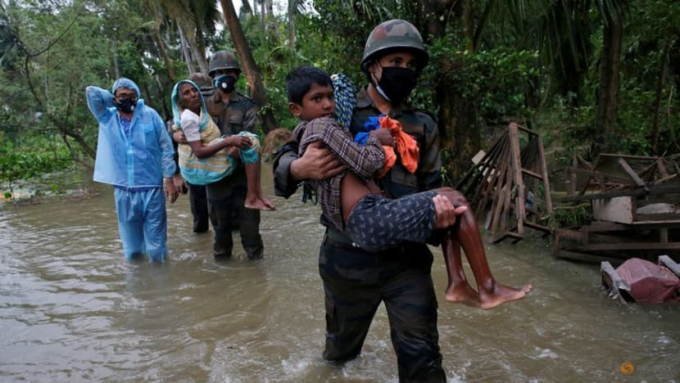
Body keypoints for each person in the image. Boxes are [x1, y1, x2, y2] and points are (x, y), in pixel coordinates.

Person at [274, 20, 530, 382]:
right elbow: (284, 162)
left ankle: (468, 286)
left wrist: (439, 222)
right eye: (396, 61)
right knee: (339, 356)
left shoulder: (422, 123)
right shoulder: (337, 109)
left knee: (422, 360)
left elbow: (431, 186)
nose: (404, 71)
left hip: (406, 263)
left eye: (411, 65)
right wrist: (299, 168)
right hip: (347, 260)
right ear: (373, 66)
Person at [287, 64, 530, 304]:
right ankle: (487, 287)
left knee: (445, 200)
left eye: (330, 96)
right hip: (367, 221)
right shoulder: (326, 125)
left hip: (371, 228)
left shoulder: (308, 130)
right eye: (317, 99)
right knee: (455, 199)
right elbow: (365, 164)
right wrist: (375, 140)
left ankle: (458, 283)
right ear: (296, 108)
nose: (328, 104)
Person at [174, 51, 266, 260]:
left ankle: (256, 277)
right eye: (220, 72)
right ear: (213, 75)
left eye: (229, 72)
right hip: (214, 178)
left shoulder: (247, 105)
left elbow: (252, 137)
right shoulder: (201, 102)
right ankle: (223, 277)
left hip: (242, 176)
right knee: (221, 233)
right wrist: (177, 133)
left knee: (251, 230)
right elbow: (178, 120)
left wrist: (239, 150)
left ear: (237, 75)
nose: (225, 76)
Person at [86, 77, 181, 262]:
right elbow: (91, 92)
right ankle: (138, 286)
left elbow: (166, 148)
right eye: (122, 95)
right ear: (115, 97)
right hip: (124, 191)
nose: (127, 99)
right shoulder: (107, 117)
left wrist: (169, 179)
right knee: (133, 251)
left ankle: (162, 285)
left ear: (137, 97)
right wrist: (112, 100)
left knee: (157, 249)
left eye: (131, 95)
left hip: (152, 189)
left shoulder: (150, 115)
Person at [171, 79, 274, 211]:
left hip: (228, 162)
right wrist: (229, 141)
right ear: (180, 102)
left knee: (253, 143)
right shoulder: (191, 115)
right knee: (251, 143)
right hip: (204, 163)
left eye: (194, 90)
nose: (193, 94)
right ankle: (252, 197)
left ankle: (256, 194)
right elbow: (198, 152)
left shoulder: (242, 103)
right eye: (187, 93)